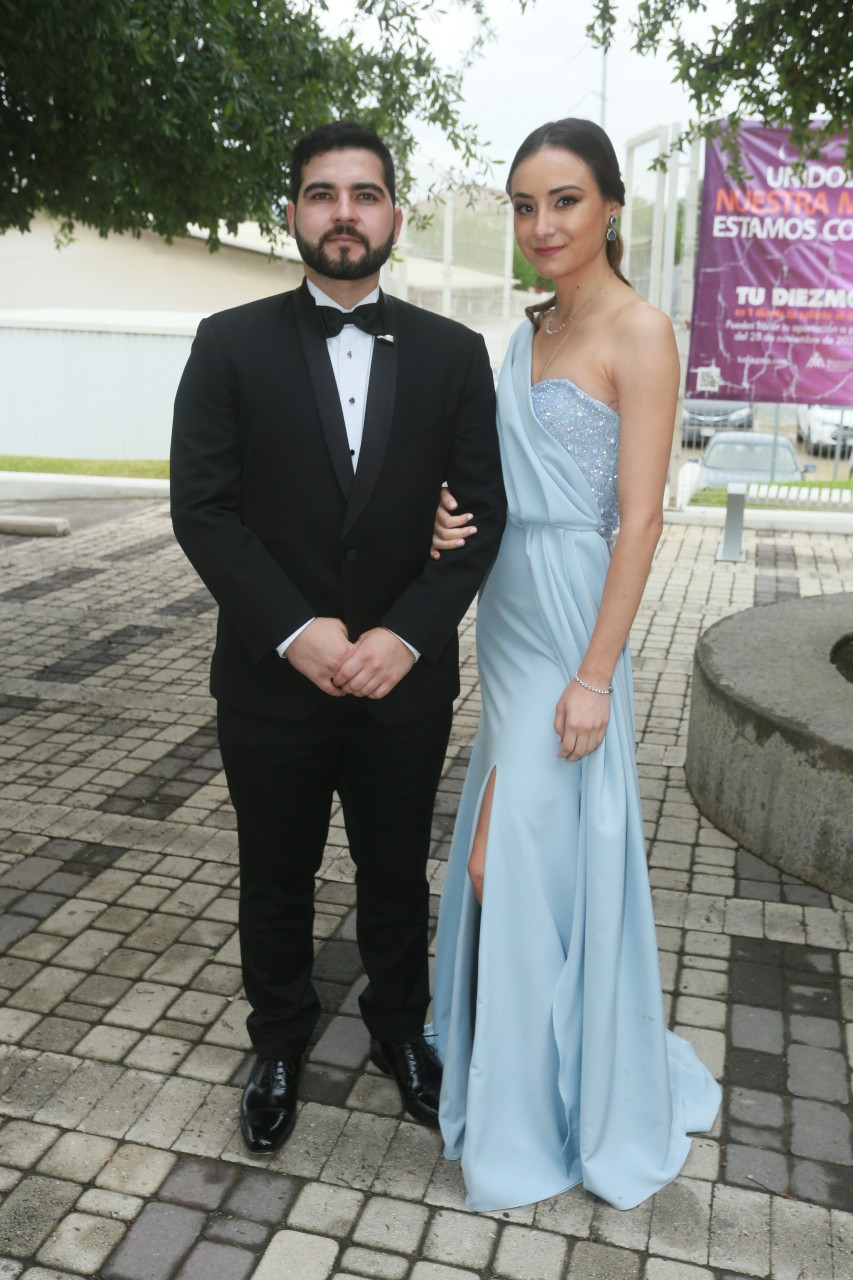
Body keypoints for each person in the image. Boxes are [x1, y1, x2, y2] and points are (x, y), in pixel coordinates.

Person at [170, 121, 506, 1155]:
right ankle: (278, 1039)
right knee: (273, 869)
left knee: (396, 868)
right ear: (293, 215)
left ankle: (399, 1030)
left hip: (403, 684)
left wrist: (404, 637)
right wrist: (293, 630)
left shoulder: (455, 354)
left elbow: (481, 514)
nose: (344, 213)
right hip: (270, 683)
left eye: (365, 194)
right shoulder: (228, 342)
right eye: (322, 194)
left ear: (394, 216)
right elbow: (203, 507)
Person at [428, 118, 720, 1212]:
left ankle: (555, 1099)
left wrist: (595, 674)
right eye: (520, 204)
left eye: (560, 200)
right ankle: (513, 1071)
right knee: (500, 856)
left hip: (573, 624)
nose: (538, 224)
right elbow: (500, 480)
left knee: (518, 862)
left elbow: (639, 521)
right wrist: (445, 519)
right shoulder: (530, 331)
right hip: (504, 612)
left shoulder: (639, 331)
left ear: (609, 210)